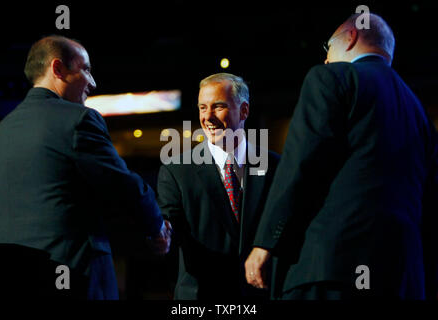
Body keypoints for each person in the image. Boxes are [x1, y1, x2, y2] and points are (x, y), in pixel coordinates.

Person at [245, 13, 438, 299]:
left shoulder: (332, 77)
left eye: (328, 48)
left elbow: (301, 163)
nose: (326, 59)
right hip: (401, 277)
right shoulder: (417, 110)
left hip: (331, 269)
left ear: (351, 37)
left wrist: (267, 242)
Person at [0, 35, 172, 299]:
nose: (92, 82)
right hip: (73, 274)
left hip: (7, 279)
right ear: (58, 69)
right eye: (86, 70)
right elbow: (123, 184)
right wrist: (157, 227)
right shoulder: (80, 120)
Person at [157, 73, 280, 300]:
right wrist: (160, 231)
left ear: (244, 111)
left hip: (262, 295)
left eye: (218, 107)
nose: (208, 117)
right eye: (203, 108)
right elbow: (167, 227)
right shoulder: (176, 171)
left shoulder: (276, 167)